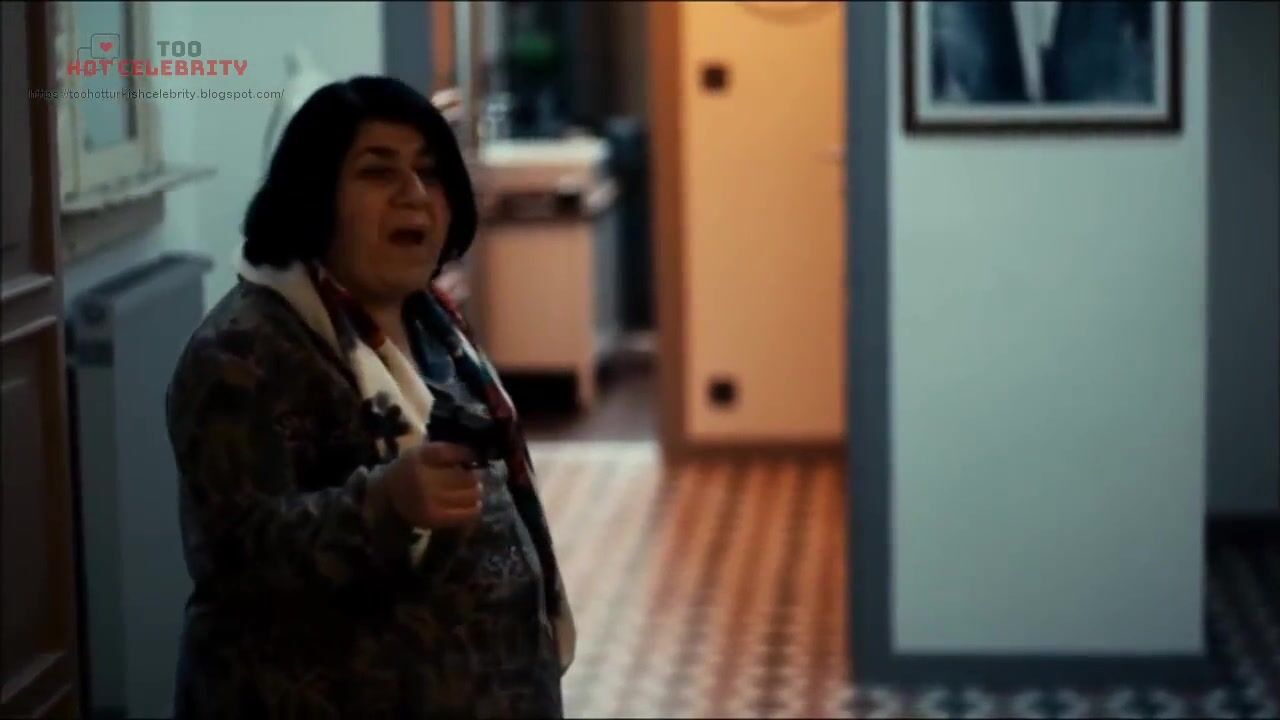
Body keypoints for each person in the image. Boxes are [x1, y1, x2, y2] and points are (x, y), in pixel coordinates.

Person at [165, 75, 574, 718]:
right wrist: (386, 504)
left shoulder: (432, 325)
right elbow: (239, 563)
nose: (413, 193)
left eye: (429, 172)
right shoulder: (242, 352)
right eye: (378, 172)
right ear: (314, 198)